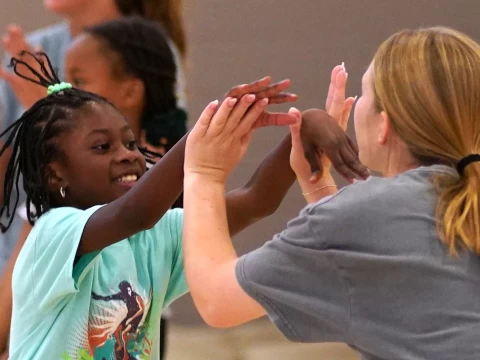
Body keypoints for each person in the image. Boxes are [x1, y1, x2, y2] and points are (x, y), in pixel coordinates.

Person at [4, 53, 366, 359]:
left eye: (130, 144)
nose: (127, 156)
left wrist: (304, 130)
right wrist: (202, 140)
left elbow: (257, 199)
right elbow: (137, 212)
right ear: (55, 176)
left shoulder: (156, 237)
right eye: (103, 147)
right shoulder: (53, 233)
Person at [182, 26, 480, 360]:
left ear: (385, 126)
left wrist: (203, 173)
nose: (358, 104)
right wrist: (322, 188)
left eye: (365, 93)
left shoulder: (368, 214)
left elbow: (216, 301)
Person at [0, 0, 187, 284]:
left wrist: (47, 111)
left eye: (78, 81)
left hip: (114, 281)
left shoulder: (145, 49)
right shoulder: (32, 48)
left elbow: (134, 201)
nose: (70, 90)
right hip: (20, 262)